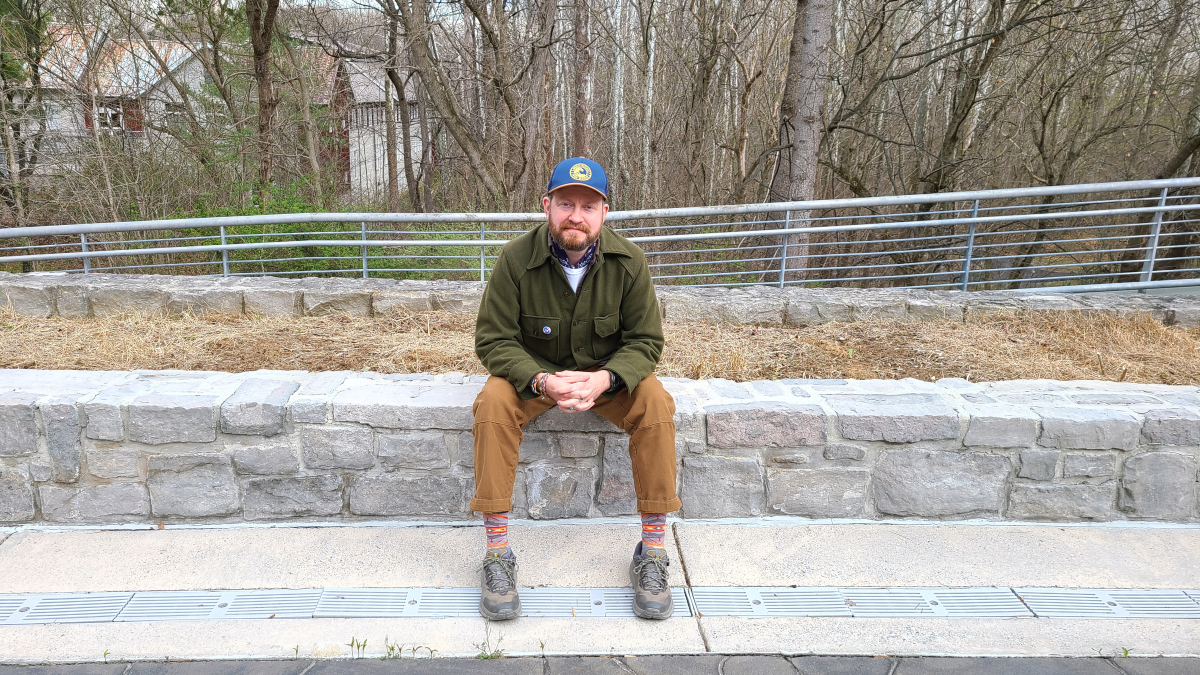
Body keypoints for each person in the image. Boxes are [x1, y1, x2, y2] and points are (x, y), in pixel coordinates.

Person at [471, 157, 681, 621]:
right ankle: (497, 554)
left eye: (589, 205)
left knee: (655, 402)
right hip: (535, 377)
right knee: (491, 402)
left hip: (604, 378)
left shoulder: (629, 262)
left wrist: (607, 377)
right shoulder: (514, 259)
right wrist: (541, 379)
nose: (576, 215)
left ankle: (652, 552)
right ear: (547, 206)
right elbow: (492, 339)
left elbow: (646, 341)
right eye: (566, 203)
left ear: (605, 213)